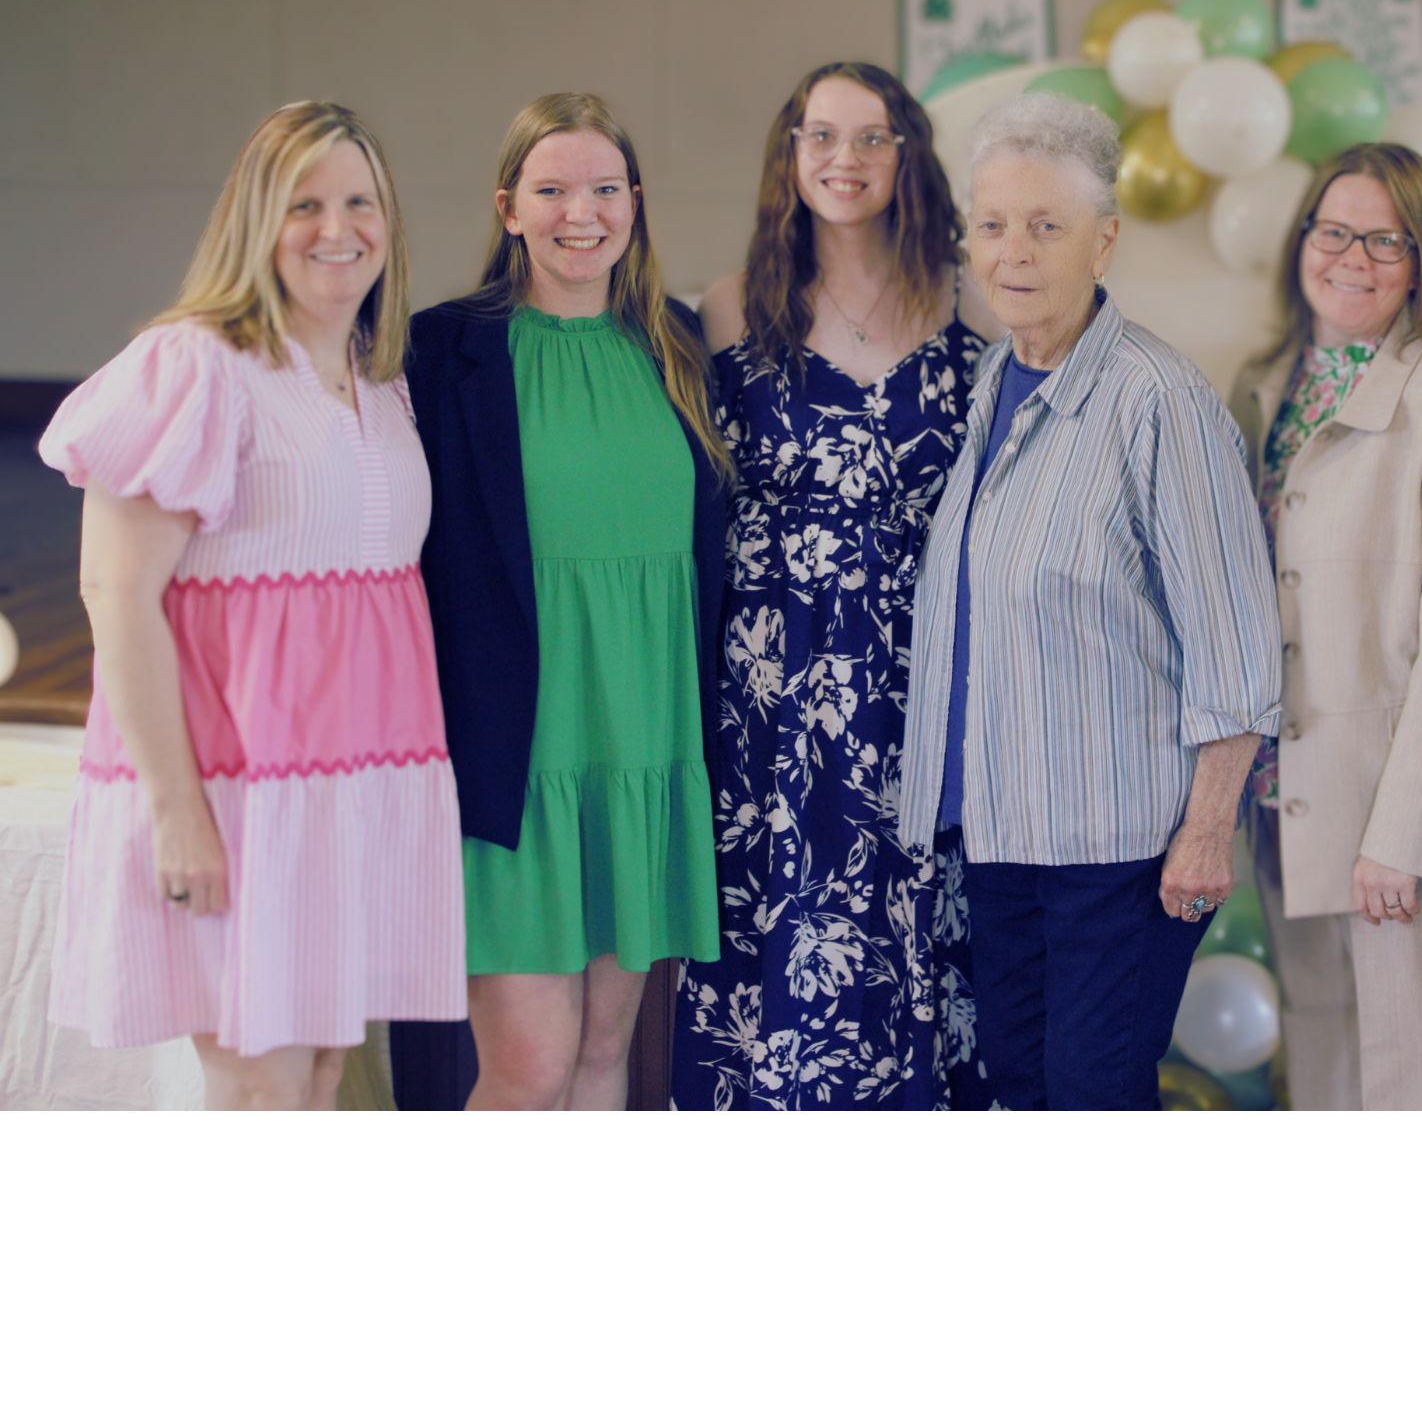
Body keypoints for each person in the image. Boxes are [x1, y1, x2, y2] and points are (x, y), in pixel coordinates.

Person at [38, 101, 466, 1110]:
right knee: (259, 1089)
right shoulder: (194, 366)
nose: (337, 228)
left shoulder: (379, 382)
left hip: (349, 793)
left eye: (360, 202)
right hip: (236, 797)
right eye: (303, 204)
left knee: (315, 1078)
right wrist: (177, 813)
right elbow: (115, 593)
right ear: (253, 220)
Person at [896, 93, 1283, 1111]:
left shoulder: (1160, 399)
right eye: (992, 225)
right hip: (1002, 829)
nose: (1013, 252)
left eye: (1046, 226)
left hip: (1121, 845)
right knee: (1021, 1086)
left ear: (1103, 241)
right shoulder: (994, 379)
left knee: (1091, 1094)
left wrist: (1207, 830)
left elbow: (1236, 642)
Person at [669, 60, 1001, 1109]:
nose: (843, 158)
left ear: (907, 156)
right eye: (820, 135)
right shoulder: (731, 308)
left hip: (919, 664)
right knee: (781, 915)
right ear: (791, 153)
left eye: (870, 137)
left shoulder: (970, 301)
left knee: (916, 914)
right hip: (772, 680)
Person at [390, 92, 730, 1111]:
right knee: (529, 1067)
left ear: (636, 201)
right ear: (508, 208)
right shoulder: (442, 351)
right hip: (515, 762)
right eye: (551, 190)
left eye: (604, 189)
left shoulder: (680, 346)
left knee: (603, 1057)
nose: (581, 213)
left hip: (644, 749)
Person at [1227, 143, 1422, 1111]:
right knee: (1326, 1085)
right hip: (1292, 802)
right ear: (1301, 242)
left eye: (1384, 241)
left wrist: (1407, 835)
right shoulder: (1265, 386)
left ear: (1421, 261)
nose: (1351, 258)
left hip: (1408, 825)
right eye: (1334, 231)